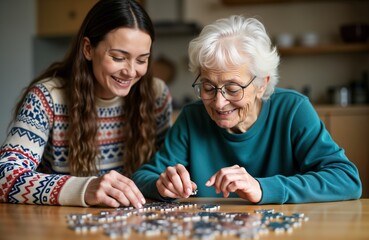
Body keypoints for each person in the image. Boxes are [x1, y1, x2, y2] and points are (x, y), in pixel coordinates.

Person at [132, 15, 362, 204]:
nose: (219, 103)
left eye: (233, 89)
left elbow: (346, 179)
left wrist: (263, 188)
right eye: (208, 87)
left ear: (262, 84)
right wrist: (161, 185)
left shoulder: (293, 109)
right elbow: (143, 177)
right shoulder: (193, 116)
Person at [0, 0, 172, 208]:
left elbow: (163, 168)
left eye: (142, 60)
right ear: (88, 49)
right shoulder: (47, 98)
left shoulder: (156, 95)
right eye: (118, 57)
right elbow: (5, 176)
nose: (131, 71)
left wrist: (169, 181)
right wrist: (85, 188)